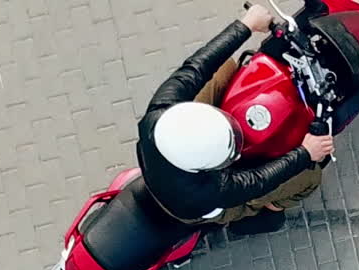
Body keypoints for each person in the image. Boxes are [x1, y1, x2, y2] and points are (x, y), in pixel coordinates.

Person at [136, 4, 335, 237]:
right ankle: (263, 211)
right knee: (310, 177)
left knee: (224, 68)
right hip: (195, 206)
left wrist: (246, 25)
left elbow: (197, 67)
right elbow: (256, 179)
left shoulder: (159, 113)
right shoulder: (210, 189)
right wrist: (305, 153)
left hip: (163, 169)